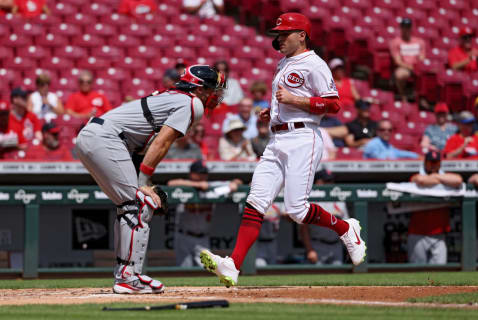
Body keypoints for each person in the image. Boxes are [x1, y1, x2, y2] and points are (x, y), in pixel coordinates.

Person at [200, 13, 366, 288]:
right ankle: (233, 265)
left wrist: (295, 100)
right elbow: (287, 100)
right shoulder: (283, 63)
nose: (279, 38)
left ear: (302, 35)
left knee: (296, 210)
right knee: (255, 201)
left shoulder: (315, 64)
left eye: (285, 33)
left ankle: (346, 228)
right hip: (277, 138)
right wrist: (274, 112)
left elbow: (334, 105)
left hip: (303, 137)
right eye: (278, 34)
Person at [75, 65, 226, 294]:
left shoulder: (173, 97)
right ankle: (128, 277)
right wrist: (144, 183)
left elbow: (139, 150)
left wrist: (143, 183)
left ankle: (126, 275)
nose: (216, 94)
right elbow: (162, 142)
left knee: (131, 206)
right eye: (213, 89)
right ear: (200, 88)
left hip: (97, 137)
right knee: (139, 205)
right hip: (107, 139)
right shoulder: (191, 102)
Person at [167, 160, 242, 267]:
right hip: (183, 236)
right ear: (192, 174)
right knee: (183, 270)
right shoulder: (185, 186)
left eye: (204, 173)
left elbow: (237, 182)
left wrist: (235, 183)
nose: (203, 176)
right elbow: (171, 183)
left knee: (208, 269)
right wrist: (197, 184)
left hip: (203, 239)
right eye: (200, 173)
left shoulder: (211, 186)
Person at [408, 151, 463, 264]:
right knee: (416, 273)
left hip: (439, 235)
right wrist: (441, 180)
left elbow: (458, 180)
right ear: (425, 163)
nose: (433, 165)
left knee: (439, 272)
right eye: (430, 162)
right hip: (417, 233)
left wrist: (435, 176)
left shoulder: (445, 175)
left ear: (440, 163)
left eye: (436, 162)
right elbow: (421, 180)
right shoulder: (417, 175)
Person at [300, 170, 349, 265]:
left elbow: (346, 226)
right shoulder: (310, 200)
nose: (330, 184)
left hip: (336, 245)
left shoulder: (339, 200)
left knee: (338, 276)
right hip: (318, 245)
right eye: (326, 181)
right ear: (317, 183)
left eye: (331, 181)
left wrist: (349, 247)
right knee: (318, 277)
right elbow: (303, 229)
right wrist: (309, 249)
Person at [389, 18, 425, 101]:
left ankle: (423, 99)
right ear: (401, 28)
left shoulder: (419, 42)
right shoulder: (396, 42)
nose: (406, 29)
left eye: (408, 27)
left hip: (418, 67)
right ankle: (403, 96)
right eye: (404, 27)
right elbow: (397, 61)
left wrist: (417, 67)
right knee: (400, 75)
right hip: (405, 67)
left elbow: (422, 57)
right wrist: (410, 67)